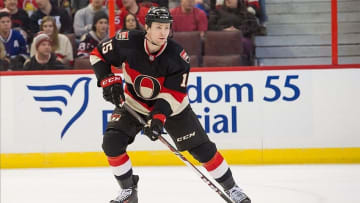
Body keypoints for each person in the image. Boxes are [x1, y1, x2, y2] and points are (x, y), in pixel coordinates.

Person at [90, 7, 251, 203]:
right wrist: (107, 79)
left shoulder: (178, 57)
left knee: (203, 150)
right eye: (158, 27)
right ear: (147, 28)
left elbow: (173, 94)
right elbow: (97, 54)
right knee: (112, 142)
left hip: (173, 109)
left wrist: (158, 119)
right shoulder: (127, 41)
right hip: (134, 103)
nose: (163, 32)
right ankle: (128, 190)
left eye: (166, 27)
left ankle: (232, 188)